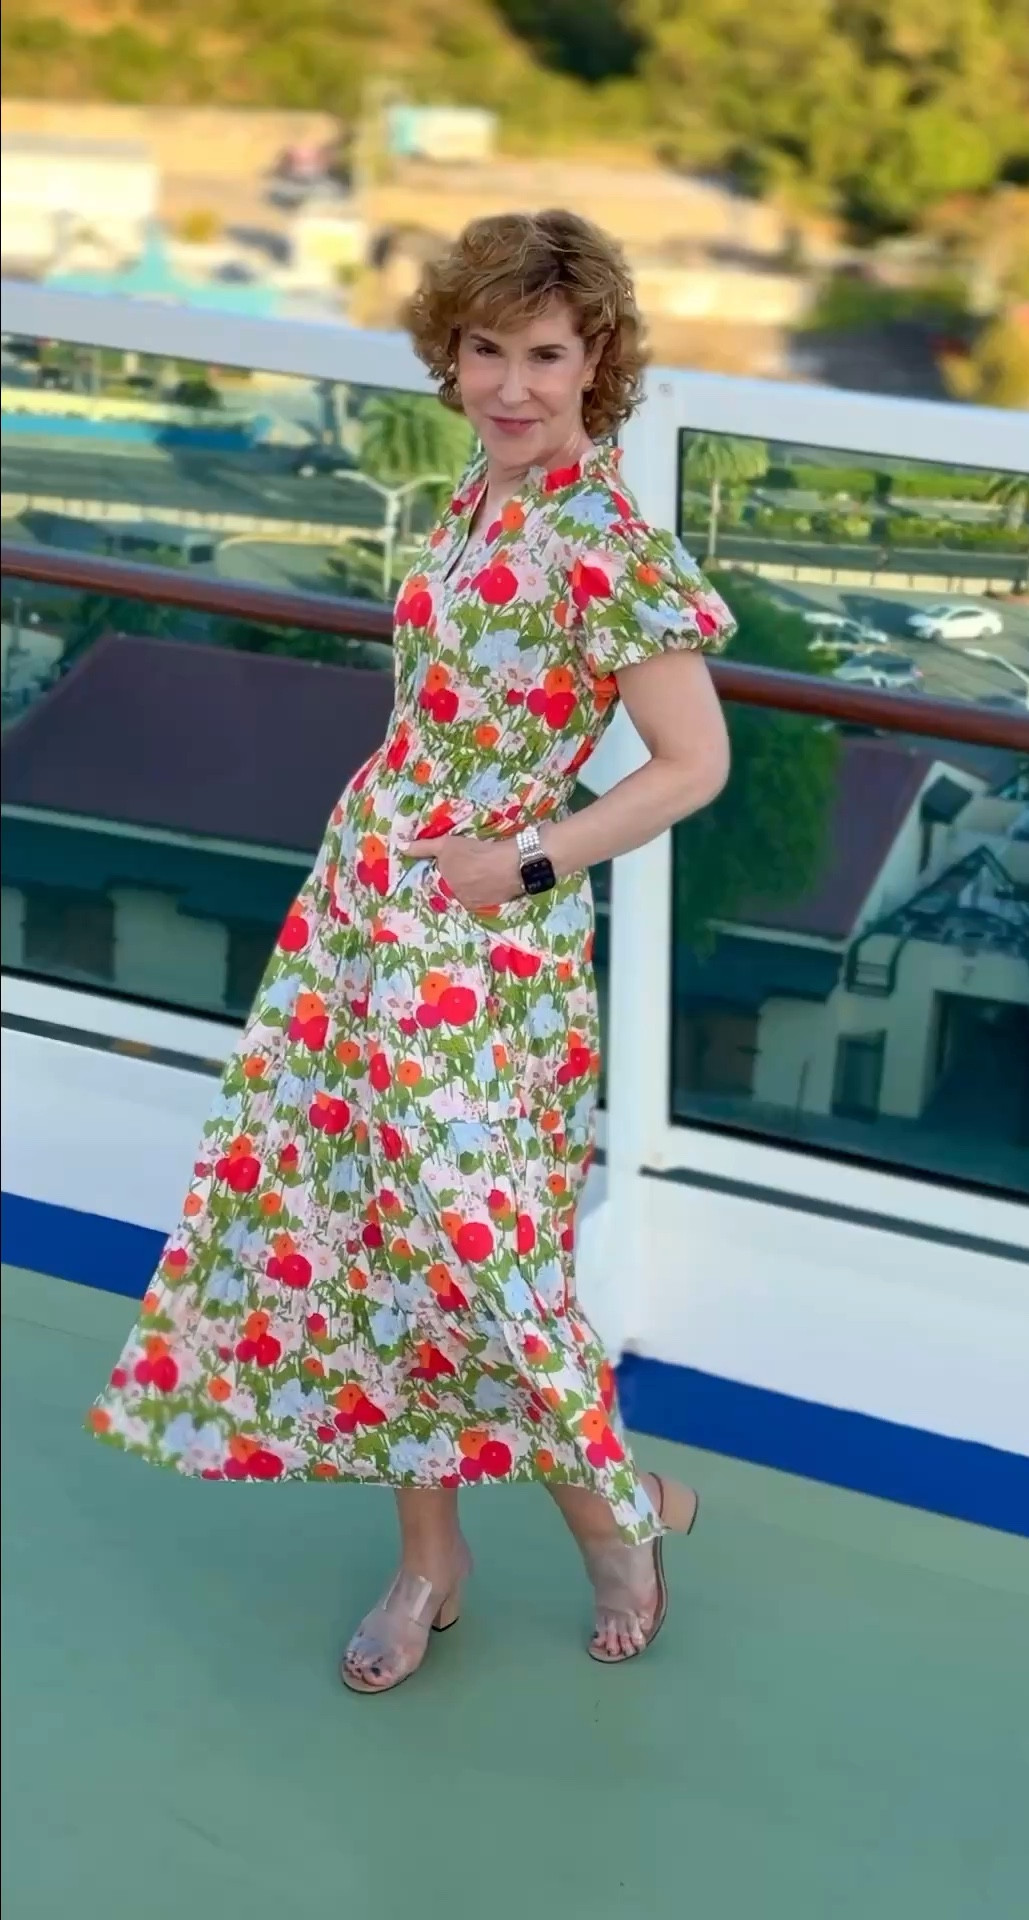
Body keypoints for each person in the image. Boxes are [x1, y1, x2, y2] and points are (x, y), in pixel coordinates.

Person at [88, 209, 734, 1691]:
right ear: (451, 355)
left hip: (486, 932)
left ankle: (616, 1517)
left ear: (601, 363)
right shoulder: (476, 496)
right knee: (380, 1233)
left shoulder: (608, 540)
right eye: (486, 349)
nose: (513, 383)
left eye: (547, 354)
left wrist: (522, 858)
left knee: (478, 1242)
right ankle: (430, 1560)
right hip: (369, 894)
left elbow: (691, 763)